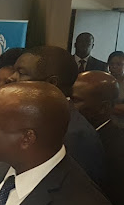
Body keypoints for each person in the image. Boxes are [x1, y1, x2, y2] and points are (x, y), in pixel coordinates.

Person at [7, 45, 104, 184]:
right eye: (13, 71)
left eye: (21, 73)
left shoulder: (74, 134)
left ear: (51, 83)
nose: (11, 78)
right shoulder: (35, 116)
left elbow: (74, 193)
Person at [71, 71, 124, 205]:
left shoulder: (117, 150)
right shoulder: (71, 133)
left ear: (103, 107)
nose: (68, 105)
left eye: (75, 101)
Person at [107, 51, 124, 121]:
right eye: (112, 64)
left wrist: (108, 109)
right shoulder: (103, 80)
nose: (114, 66)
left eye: (119, 64)